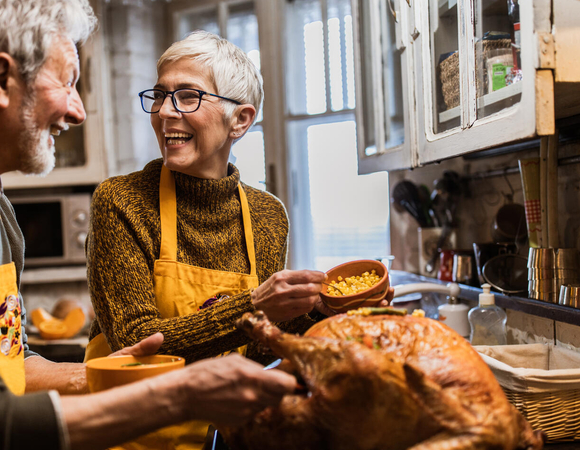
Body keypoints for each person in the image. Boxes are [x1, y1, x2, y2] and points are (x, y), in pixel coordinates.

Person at [0, 2, 298, 450]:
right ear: (1, 81)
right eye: (68, 82)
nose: (78, 111)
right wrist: (176, 393)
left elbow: (9, 364)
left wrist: (117, 374)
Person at [85, 31, 393, 449]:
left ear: (241, 120)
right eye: (160, 95)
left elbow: (255, 349)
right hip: (130, 432)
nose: (164, 113)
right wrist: (254, 306)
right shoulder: (121, 201)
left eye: (188, 96)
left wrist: (326, 312)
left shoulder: (267, 215)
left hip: (224, 433)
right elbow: (137, 345)